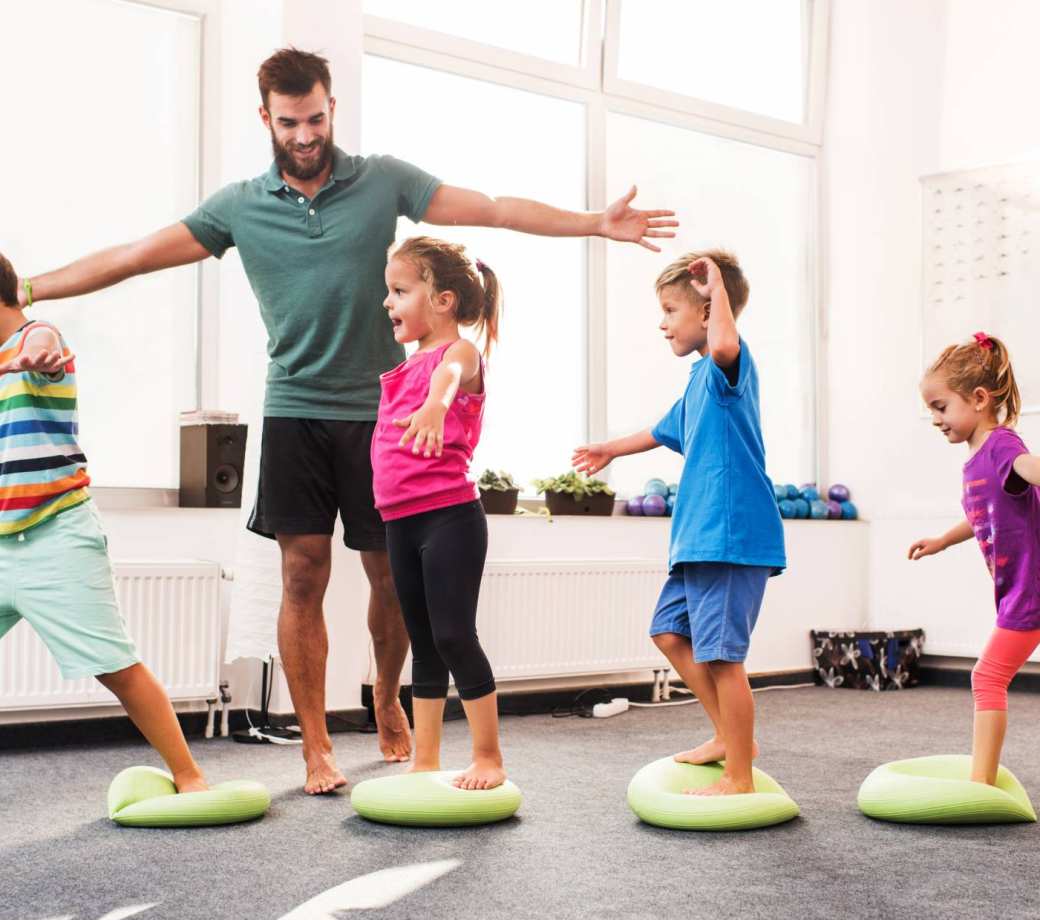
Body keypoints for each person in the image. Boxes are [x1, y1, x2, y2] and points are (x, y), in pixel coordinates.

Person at [15, 47, 677, 795]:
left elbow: (491, 208)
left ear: (334, 110)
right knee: (302, 573)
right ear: (266, 118)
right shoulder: (238, 206)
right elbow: (135, 256)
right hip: (295, 410)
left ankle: (388, 696)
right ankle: (316, 745)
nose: (306, 134)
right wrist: (25, 290)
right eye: (291, 121)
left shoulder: (382, 180)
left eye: (318, 118)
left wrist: (594, 222)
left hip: (384, 414)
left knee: (391, 578)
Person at [572, 252, 786, 796]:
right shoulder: (697, 382)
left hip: (730, 538)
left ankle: (739, 774)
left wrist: (715, 288)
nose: (662, 321)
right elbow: (661, 431)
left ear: (710, 311)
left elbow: (723, 344)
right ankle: (726, 736)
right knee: (669, 632)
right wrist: (609, 449)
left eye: (671, 310)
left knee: (721, 657)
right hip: (698, 539)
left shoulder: (726, 368)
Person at [0, 252, 207, 793]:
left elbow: (41, 347)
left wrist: (35, 357)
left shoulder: (37, 335)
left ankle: (188, 775)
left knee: (114, 665)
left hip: (56, 535)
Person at [373, 236, 504, 789]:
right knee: (423, 643)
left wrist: (435, 402)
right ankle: (425, 759)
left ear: (443, 300)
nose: (388, 302)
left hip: (450, 517)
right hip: (400, 520)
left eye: (400, 291)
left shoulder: (460, 354)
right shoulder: (409, 364)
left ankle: (489, 757)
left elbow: (451, 375)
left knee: (454, 635)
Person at [910, 332, 1040, 785]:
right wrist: (943, 540)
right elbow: (982, 515)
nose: (935, 419)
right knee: (991, 677)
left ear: (980, 399)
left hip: (1030, 591)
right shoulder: (976, 458)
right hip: (1017, 590)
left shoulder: (1002, 445)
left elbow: (1030, 470)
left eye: (941, 407)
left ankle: (980, 782)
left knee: (986, 678)